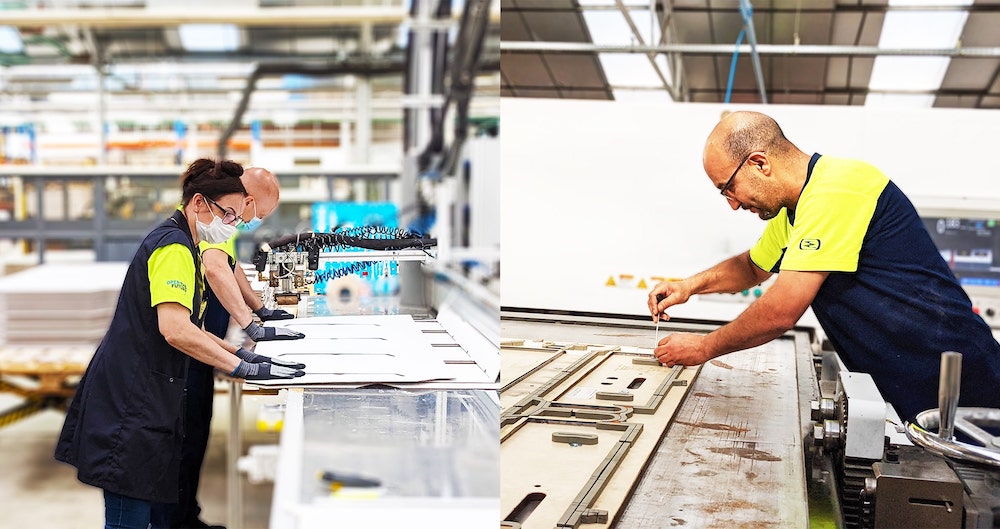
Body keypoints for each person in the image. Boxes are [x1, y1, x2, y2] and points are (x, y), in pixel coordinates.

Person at [647, 111, 1000, 422]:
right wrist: (688, 286)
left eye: (730, 188)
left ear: (759, 163)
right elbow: (752, 267)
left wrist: (703, 348)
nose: (733, 204)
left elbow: (780, 313)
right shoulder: (795, 210)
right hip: (913, 382)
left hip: (962, 385)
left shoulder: (838, 188)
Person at [55, 159, 305, 529]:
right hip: (130, 402)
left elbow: (190, 326)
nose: (232, 225)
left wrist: (240, 353)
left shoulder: (187, 243)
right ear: (200, 204)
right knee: (130, 519)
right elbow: (175, 330)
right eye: (229, 215)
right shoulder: (173, 248)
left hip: (145, 396)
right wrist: (239, 365)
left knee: (145, 509)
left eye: (237, 218)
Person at [167, 167, 304, 529]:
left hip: (204, 340)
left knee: (197, 430)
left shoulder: (221, 222)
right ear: (245, 198)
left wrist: (258, 308)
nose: (251, 222)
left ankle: (186, 516)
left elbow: (231, 266)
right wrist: (248, 325)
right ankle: (178, 521)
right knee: (186, 438)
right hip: (189, 350)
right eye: (255, 213)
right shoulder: (214, 221)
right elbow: (214, 269)